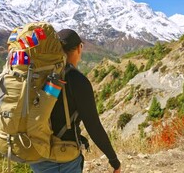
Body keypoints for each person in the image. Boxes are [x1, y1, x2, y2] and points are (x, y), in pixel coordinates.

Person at [30, 29, 121, 173]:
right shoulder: (76, 80)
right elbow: (93, 125)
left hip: (37, 153)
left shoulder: (42, 75)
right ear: (79, 48)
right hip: (62, 158)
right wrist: (114, 160)